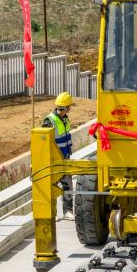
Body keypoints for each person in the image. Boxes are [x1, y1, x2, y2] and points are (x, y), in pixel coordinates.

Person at [43, 92, 75, 220]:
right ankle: (53, 212)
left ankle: (67, 211)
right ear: (66, 107)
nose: (70, 109)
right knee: (53, 184)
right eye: (69, 106)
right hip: (54, 159)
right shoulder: (49, 121)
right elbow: (44, 141)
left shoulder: (65, 118)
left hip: (65, 157)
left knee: (67, 183)